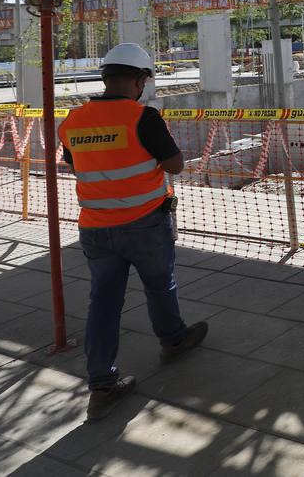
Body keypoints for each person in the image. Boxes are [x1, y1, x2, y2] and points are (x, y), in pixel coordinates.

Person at [59, 43, 208, 422]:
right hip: (144, 224)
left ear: (105, 77)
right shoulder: (143, 117)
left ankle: (101, 386)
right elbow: (175, 165)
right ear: (140, 81)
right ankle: (173, 341)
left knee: (103, 304)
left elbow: (77, 164)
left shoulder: (73, 121)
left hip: (95, 226)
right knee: (160, 284)